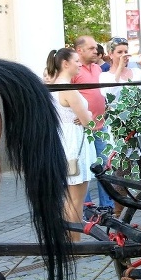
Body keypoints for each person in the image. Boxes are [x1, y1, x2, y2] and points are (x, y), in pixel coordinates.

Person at [45, 47, 97, 240]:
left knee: (69, 194)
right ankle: (74, 241)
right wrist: (92, 115)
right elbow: (87, 122)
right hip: (75, 144)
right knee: (75, 196)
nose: (79, 64)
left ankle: (70, 240)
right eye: (76, 61)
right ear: (65, 63)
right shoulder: (68, 88)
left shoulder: (53, 85)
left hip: (65, 141)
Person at [72, 35, 111, 207]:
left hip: (100, 125)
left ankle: (107, 207)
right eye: (91, 48)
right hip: (83, 128)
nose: (96, 51)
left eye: (96, 48)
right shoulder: (74, 70)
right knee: (84, 168)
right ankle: (86, 208)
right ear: (79, 50)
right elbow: (63, 95)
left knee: (104, 167)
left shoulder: (97, 68)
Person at [99, 37, 141, 103]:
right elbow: (111, 95)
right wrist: (120, 67)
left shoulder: (137, 72)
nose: (124, 55)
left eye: (126, 52)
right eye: (120, 52)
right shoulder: (104, 76)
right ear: (110, 54)